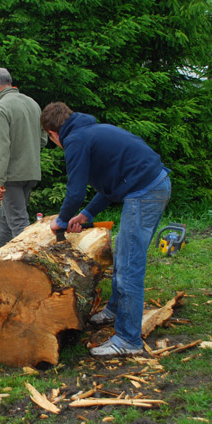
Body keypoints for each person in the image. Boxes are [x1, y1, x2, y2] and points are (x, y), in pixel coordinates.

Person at [40, 102, 171, 357]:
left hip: (145, 191)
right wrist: (86, 214)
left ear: (52, 133)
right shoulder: (90, 132)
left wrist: (62, 221)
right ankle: (115, 310)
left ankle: (128, 339)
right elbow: (111, 184)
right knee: (123, 250)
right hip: (152, 184)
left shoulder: (75, 140)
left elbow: (75, 192)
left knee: (129, 263)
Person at [0, 68, 48, 253]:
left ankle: (35, 263)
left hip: (11, 176)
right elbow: (43, 139)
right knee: (5, 224)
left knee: (19, 223)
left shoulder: (0, 108)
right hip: (31, 172)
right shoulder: (33, 104)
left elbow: (0, 148)